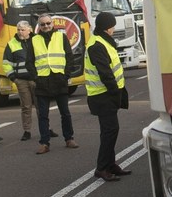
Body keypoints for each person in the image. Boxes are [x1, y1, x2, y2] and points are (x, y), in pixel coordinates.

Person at [85, 11, 130, 182]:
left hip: (107, 94)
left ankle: (110, 165)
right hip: (102, 95)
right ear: (106, 27)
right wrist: (114, 91)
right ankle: (102, 168)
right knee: (110, 131)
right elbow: (104, 72)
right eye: (112, 26)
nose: (113, 29)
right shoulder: (97, 45)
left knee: (110, 131)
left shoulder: (103, 41)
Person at [32, 14, 77, 154]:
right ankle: (44, 143)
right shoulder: (34, 40)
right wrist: (36, 78)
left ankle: (69, 138)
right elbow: (29, 62)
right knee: (43, 115)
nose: (46, 26)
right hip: (42, 81)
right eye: (43, 24)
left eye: (48, 23)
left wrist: (65, 75)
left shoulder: (61, 37)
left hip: (59, 80)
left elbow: (69, 57)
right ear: (39, 26)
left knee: (65, 113)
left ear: (52, 24)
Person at [1, 20, 38, 141]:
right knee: (26, 107)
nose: (20, 32)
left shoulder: (38, 40)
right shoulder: (12, 43)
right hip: (21, 80)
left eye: (22, 29)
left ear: (29, 30)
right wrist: (13, 78)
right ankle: (27, 131)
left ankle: (46, 128)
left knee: (41, 105)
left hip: (36, 79)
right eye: (18, 29)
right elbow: (6, 63)